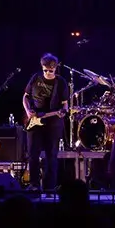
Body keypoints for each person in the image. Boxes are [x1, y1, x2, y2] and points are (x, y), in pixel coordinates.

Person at [23, 54, 69, 191]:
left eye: (51, 71)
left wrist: (62, 112)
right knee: (32, 154)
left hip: (53, 122)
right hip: (34, 121)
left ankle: (50, 188)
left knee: (51, 155)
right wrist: (27, 111)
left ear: (55, 69)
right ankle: (34, 185)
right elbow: (25, 97)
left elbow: (65, 105)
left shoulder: (60, 82)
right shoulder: (35, 78)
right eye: (45, 70)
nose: (48, 73)